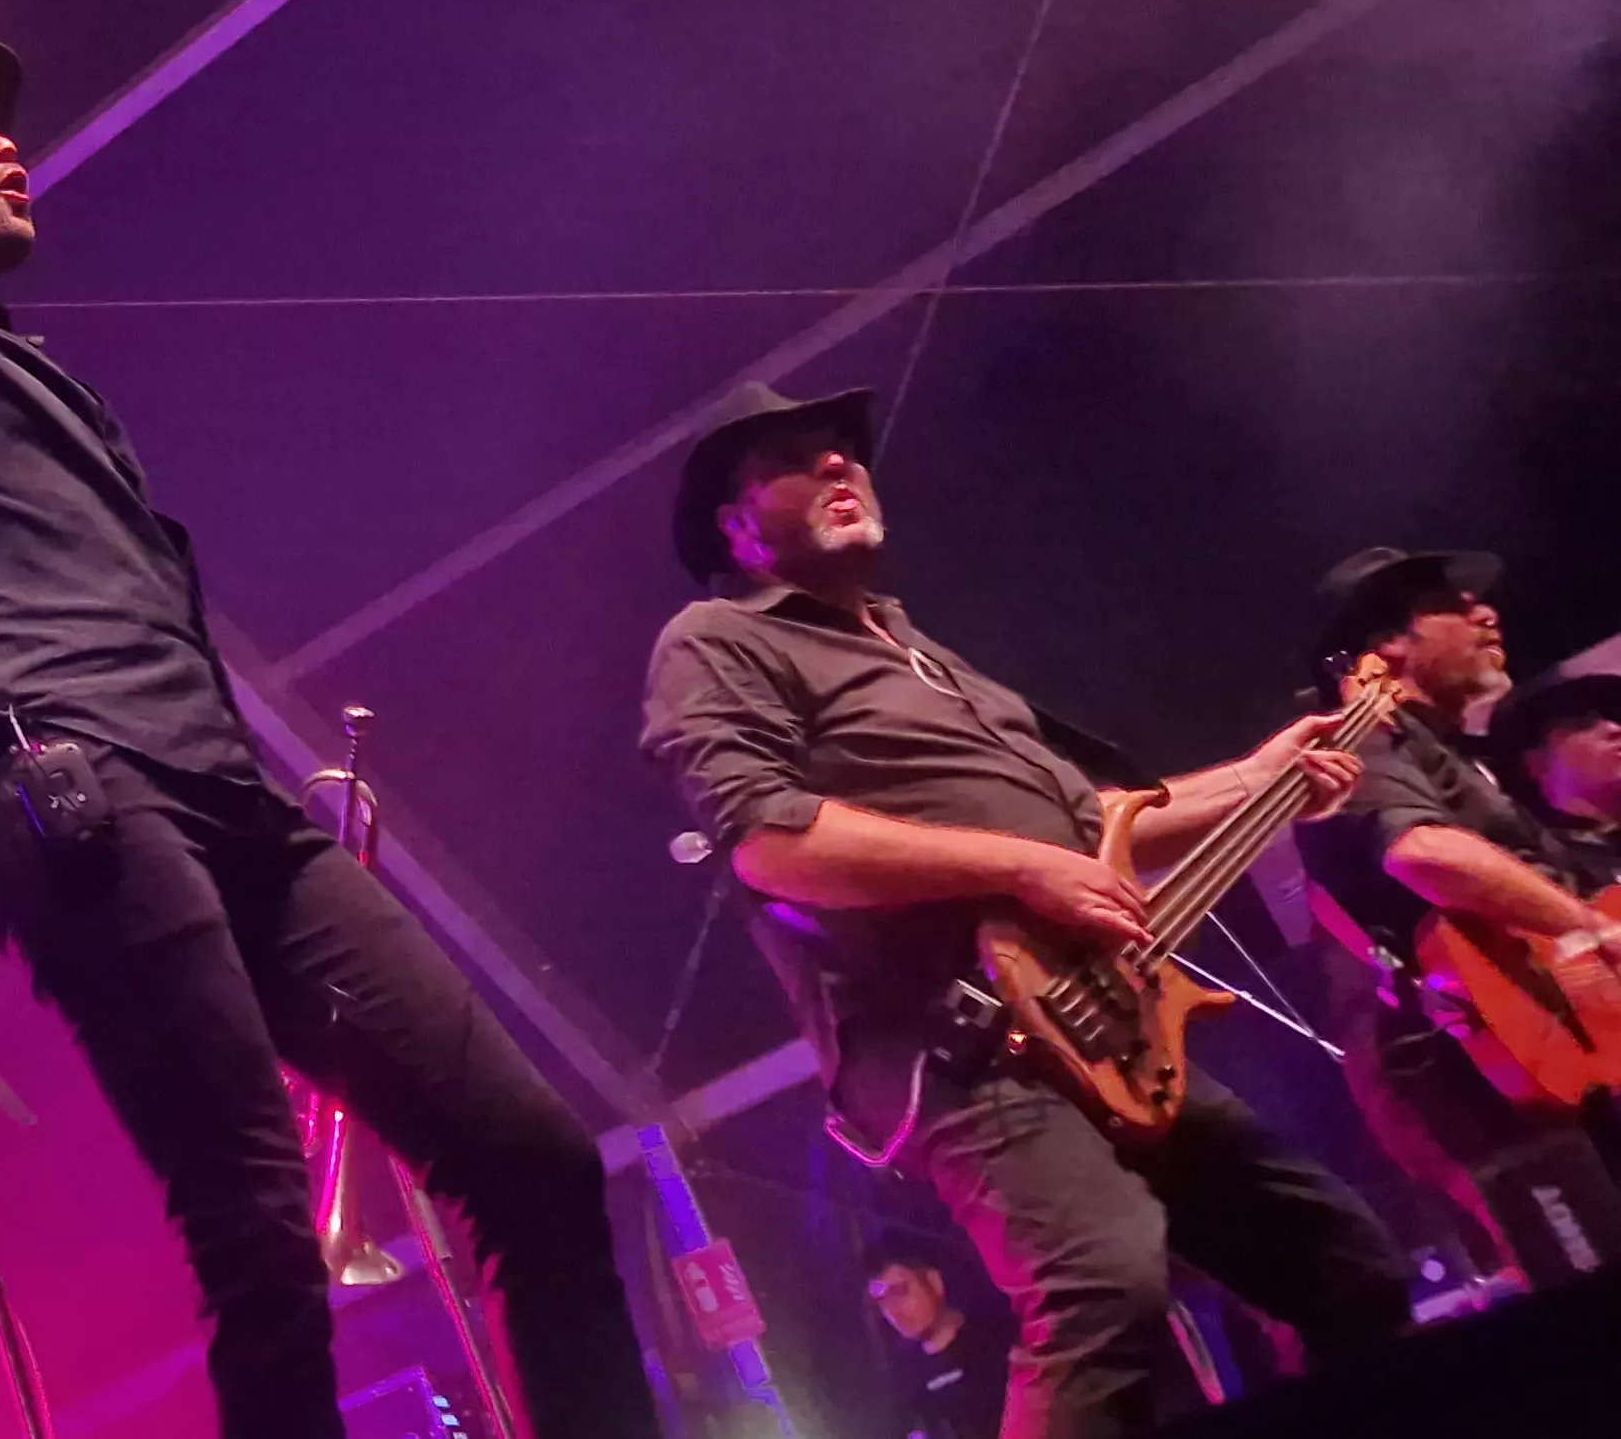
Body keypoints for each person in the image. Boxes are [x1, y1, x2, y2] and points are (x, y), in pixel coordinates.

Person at [0, 0, 661, 1439]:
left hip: (223, 797)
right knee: (255, 1221)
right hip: (63, 769)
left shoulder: (20, 366)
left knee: (530, 1154)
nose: (5, 145)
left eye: (0, 128)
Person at [638, 386, 1411, 1439]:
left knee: (1345, 1264)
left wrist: (1256, 776)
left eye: (844, 454)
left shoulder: (926, 656)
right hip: (955, 1044)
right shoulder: (715, 639)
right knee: (1101, 1283)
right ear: (735, 524)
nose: (837, 467)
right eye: (796, 458)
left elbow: (1087, 831)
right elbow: (769, 841)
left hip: (1102, 1021)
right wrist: (1020, 866)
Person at [1290, 550, 1621, 1288]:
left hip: (1535, 1049)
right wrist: (1594, 930)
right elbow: (1422, 853)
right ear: (1388, 647)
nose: (1484, 612)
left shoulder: (1451, 754)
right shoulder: (1354, 739)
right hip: (1461, 1071)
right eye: (1451, 603)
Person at [1486, 658, 1621, 891]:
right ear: (1535, 763)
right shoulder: (1537, 868)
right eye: (1581, 723)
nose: (1614, 728)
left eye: (1614, 716)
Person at [863, 1243, 1007, 1439]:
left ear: (934, 1281)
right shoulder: (899, 1384)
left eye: (899, 1291)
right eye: (882, 1300)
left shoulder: (998, 1347)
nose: (893, 1310)